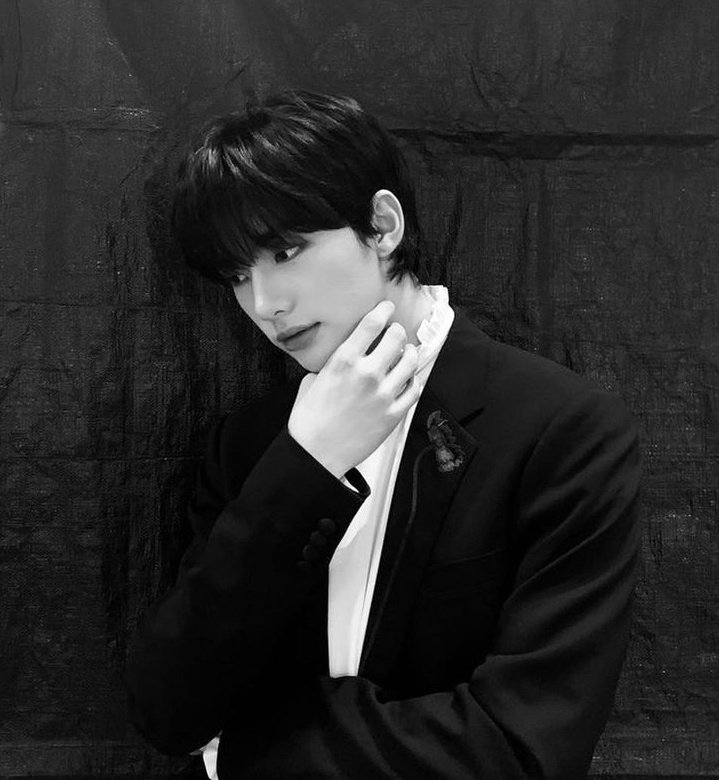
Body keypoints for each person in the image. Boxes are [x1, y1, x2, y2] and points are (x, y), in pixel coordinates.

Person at [126, 90, 642, 780]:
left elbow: (523, 749)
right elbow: (169, 710)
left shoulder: (562, 431)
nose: (265, 303)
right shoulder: (248, 444)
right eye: (238, 275)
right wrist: (307, 465)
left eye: (286, 250)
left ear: (382, 224)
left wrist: (244, 749)